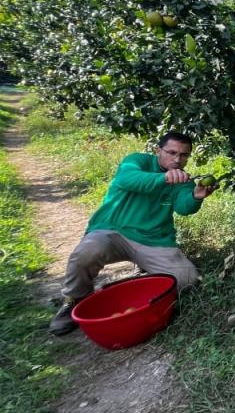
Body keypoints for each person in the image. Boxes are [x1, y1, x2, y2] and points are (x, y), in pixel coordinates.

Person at [48, 131, 217, 335]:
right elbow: (129, 180)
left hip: (154, 239)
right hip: (112, 231)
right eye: (172, 152)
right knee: (86, 253)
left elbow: (184, 207)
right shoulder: (137, 161)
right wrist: (163, 178)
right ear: (158, 150)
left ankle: (134, 282)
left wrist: (196, 196)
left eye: (183, 155)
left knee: (187, 279)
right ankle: (75, 299)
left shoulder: (184, 180)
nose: (177, 159)